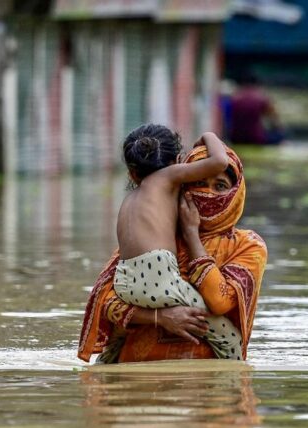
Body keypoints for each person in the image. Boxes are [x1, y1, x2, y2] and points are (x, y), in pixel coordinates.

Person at [78, 141, 268, 363]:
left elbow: (220, 302)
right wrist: (158, 317)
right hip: (136, 377)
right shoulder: (156, 237)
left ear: (235, 193)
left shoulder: (248, 245)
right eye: (199, 183)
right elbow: (106, 302)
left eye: (220, 186)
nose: (208, 193)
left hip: (207, 384)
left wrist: (192, 236)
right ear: (183, 186)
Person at [228, 73, 284, 145]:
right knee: (280, 134)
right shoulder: (261, 97)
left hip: (235, 138)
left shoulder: (234, 97)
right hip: (256, 138)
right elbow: (274, 120)